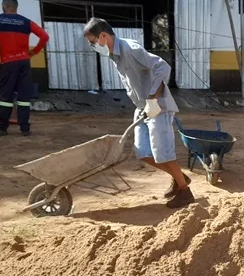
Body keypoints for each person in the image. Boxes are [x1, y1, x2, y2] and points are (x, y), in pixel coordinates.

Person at [83, 18, 194, 209]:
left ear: (103, 36)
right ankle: (179, 177)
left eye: (93, 41)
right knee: (143, 152)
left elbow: (162, 66)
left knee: (163, 153)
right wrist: (146, 104)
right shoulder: (115, 55)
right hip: (143, 108)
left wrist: (152, 98)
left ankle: (185, 192)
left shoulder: (129, 48)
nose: (92, 46)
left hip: (158, 107)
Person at [0, 0, 49, 136]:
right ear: (16, 7)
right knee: (24, 97)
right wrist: (33, 52)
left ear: (4, 6)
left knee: (6, 97)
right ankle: (25, 129)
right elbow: (44, 36)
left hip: (7, 63)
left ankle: (2, 128)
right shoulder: (26, 22)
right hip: (24, 62)